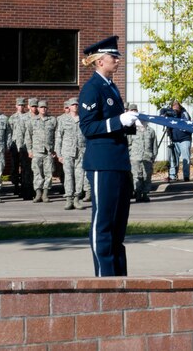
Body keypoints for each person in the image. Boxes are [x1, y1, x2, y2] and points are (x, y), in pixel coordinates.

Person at [78, 35, 138, 277]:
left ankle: (118, 277)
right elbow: (89, 127)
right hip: (102, 164)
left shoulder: (111, 87)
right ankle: (104, 276)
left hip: (118, 162)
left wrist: (131, 123)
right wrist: (118, 120)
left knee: (117, 223)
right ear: (100, 61)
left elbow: (113, 123)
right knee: (103, 223)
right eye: (113, 57)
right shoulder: (92, 88)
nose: (117, 60)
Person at [55, 98, 86, 210]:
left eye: (77, 104)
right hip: (67, 151)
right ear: (69, 106)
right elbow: (58, 137)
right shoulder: (63, 120)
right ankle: (69, 199)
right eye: (73, 105)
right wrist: (59, 154)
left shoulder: (83, 119)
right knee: (68, 176)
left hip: (81, 152)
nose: (75, 106)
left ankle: (77, 198)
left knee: (79, 176)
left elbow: (87, 136)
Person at [127, 104, 157, 202]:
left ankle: (145, 194)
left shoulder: (151, 131)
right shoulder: (132, 129)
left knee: (147, 176)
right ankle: (138, 193)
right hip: (135, 157)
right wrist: (131, 155)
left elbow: (154, 146)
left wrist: (153, 156)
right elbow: (128, 143)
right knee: (137, 176)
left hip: (147, 157)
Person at [164, 101, 192, 183]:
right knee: (173, 158)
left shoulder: (184, 113)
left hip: (184, 139)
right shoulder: (169, 114)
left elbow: (187, 122)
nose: (175, 107)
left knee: (185, 158)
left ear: (180, 107)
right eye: (174, 106)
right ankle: (172, 176)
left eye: (177, 106)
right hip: (174, 139)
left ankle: (186, 176)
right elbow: (163, 114)